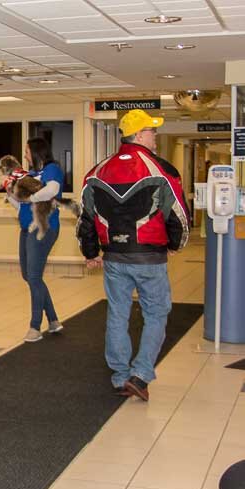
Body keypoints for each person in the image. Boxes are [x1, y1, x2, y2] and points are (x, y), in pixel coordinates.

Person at [77, 109, 189, 401]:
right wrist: (176, 243)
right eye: (152, 131)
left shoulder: (96, 172)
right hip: (150, 257)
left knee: (118, 313)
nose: (155, 136)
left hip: (114, 257)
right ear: (139, 135)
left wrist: (91, 252)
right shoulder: (161, 169)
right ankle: (140, 374)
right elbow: (178, 215)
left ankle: (120, 376)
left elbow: (85, 218)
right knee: (156, 313)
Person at [6, 137, 65, 343]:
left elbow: (51, 191)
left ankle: (35, 326)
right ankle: (53, 320)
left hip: (43, 228)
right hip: (26, 228)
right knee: (30, 275)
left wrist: (29, 197)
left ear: (37, 152)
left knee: (33, 276)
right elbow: (20, 206)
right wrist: (12, 195)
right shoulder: (29, 175)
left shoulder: (52, 169)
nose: (25, 155)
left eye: (27, 151)